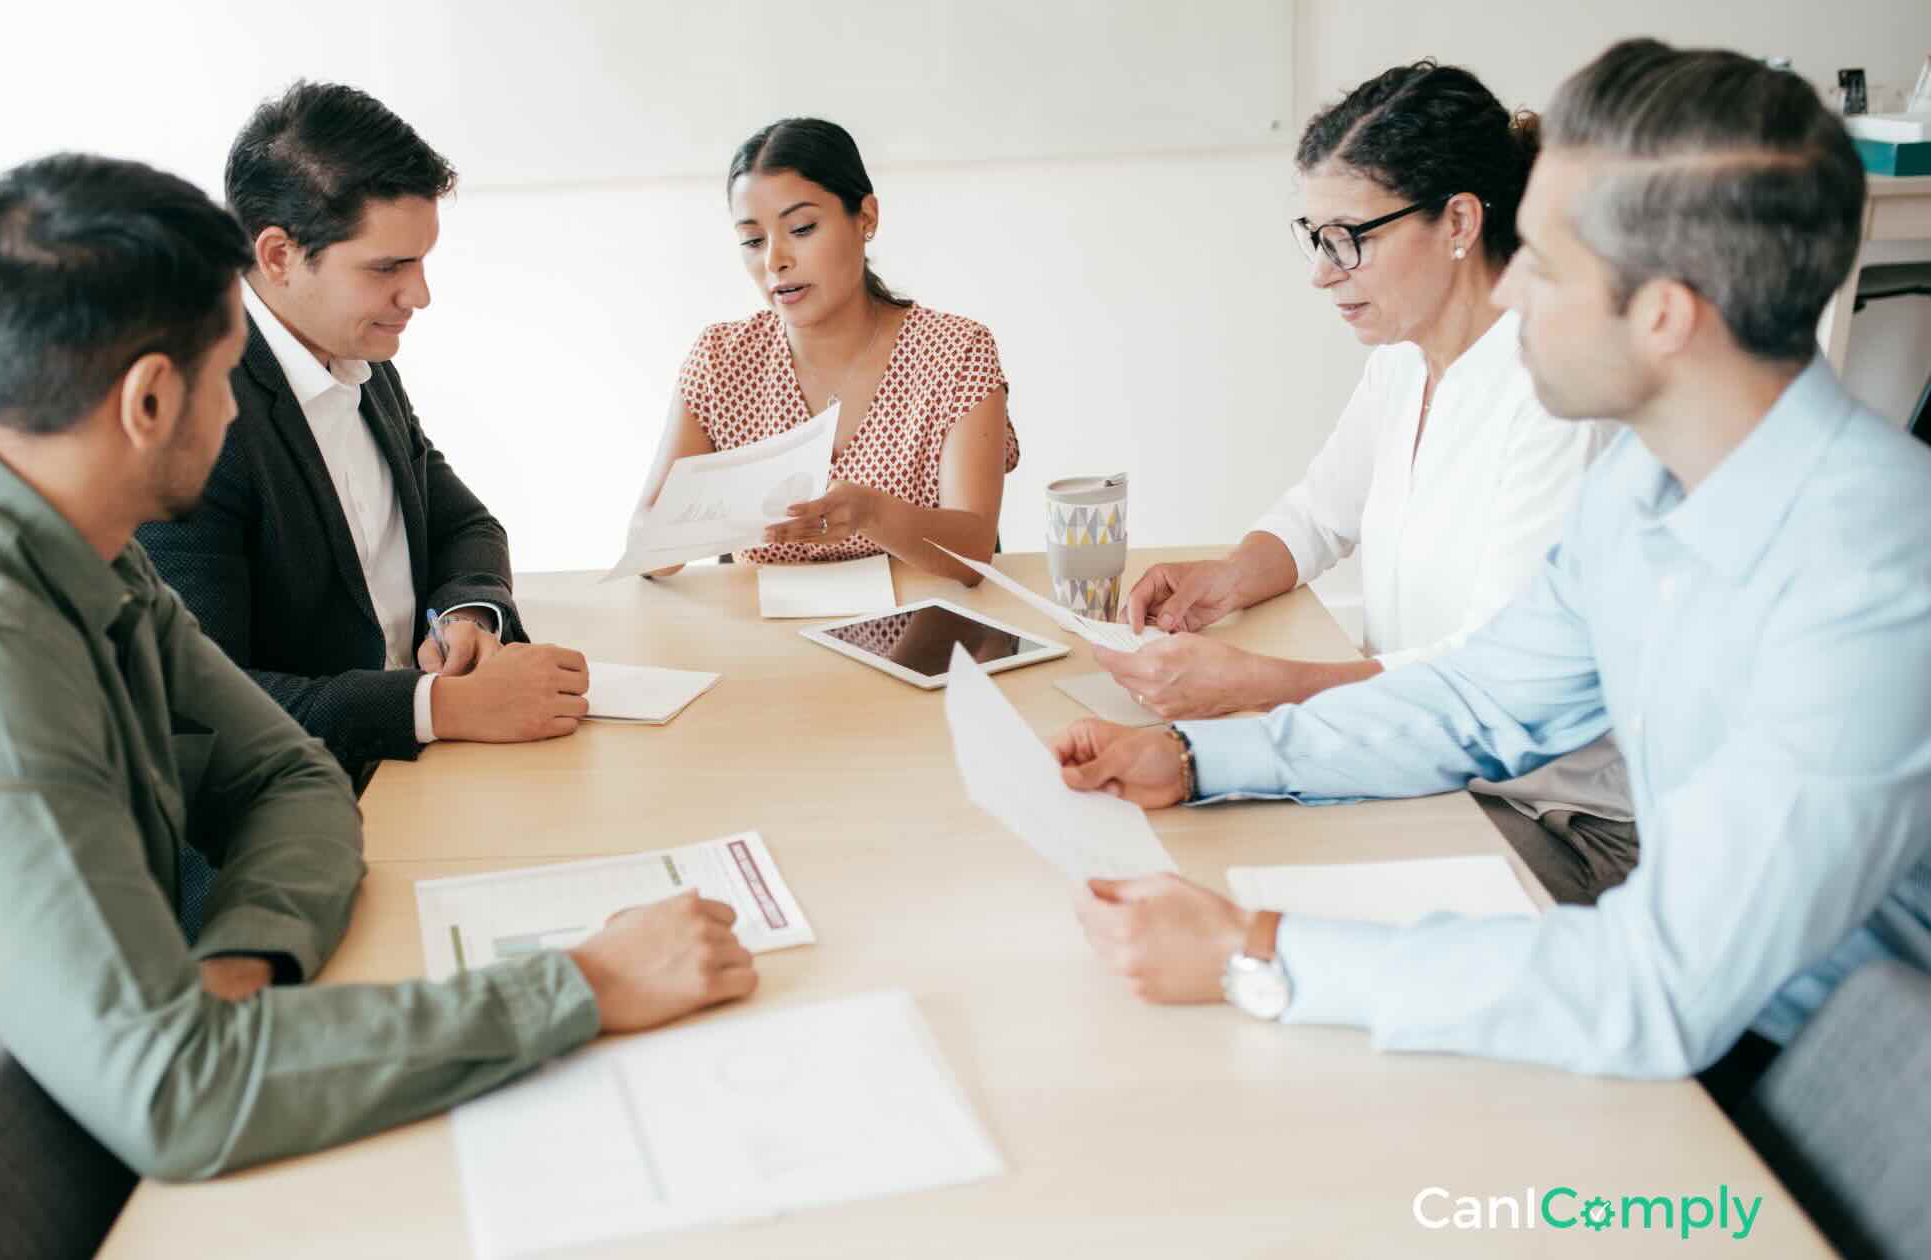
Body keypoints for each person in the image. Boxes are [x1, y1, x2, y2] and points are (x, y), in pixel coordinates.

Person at [0, 154, 756, 1253]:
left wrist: (242, 961)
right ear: (152, 400)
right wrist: (579, 985)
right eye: (229, 372)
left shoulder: (85, 550)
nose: (240, 406)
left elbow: (288, 770)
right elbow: (177, 1094)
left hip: (82, 1101)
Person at [1053, 41, 1931, 1099]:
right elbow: (1475, 702)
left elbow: (1662, 987)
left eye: (1546, 263)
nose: (1507, 291)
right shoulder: (1639, 488)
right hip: (1717, 1026)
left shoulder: (1870, 570)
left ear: (1663, 313)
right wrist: (1196, 758)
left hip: (1830, 1098)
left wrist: (1260, 950)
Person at [1096, 61, 1633, 904]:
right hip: (1429, 759)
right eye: (1314, 237)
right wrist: (1227, 576)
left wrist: (1262, 684)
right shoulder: (1404, 360)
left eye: (1349, 237)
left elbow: (1491, 678)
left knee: (1248, 884)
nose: (1322, 271)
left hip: (1560, 821)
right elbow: (1320, 512)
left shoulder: (1553, 397)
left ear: (1458, 220)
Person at [138, 82, 588, 786]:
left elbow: (461, 521)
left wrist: (468, 615)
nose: (419, 295)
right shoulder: (193, 419)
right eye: (387, 268)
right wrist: (437, 706)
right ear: (280, 255)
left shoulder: (354, 352)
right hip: (305, 801)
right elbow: (200, 706)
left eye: (421, 261)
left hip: (419, 766)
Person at [635, 117, 1019, 582]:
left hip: (925, 641)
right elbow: (645, 543)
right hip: (767, 646)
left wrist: (872, 514)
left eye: (801, 228)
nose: (775, 259)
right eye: (753, 240)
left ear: (867, 217)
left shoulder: (956, 352)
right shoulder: (722, 359)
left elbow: (974, 549)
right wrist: (673, 536)